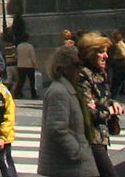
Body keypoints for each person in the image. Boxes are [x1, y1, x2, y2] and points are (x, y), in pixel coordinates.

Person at [37, 45, 98, 177]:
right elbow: (56, 129)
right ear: (64, 68)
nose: (79, 70)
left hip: (73, 165)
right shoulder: (59, 92)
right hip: (68, 167)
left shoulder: (70, 89)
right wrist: (78, 152)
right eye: (76, 65)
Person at [77, 33, 123, 177]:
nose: (106, 56)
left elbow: (103, 99)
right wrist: (108, 110)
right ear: (90, 54)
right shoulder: (83, 75)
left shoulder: (100, 73)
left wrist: (113, 103)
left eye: (106, 52)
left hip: (102, 134)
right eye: (101, 52)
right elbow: (89, 113)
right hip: (90, 137)